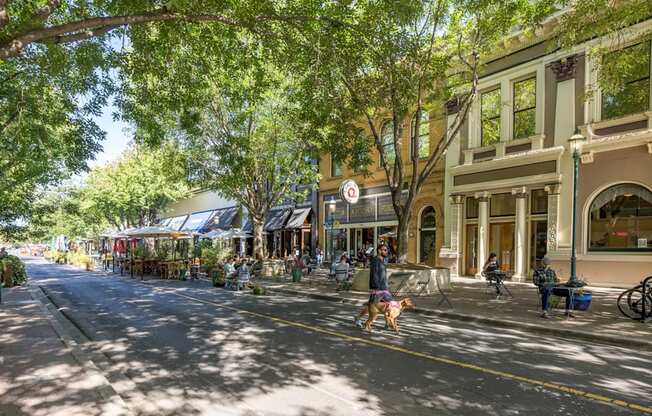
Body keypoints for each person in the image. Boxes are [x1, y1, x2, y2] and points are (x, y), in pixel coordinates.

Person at [354, 243, 392, 328]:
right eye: (385, 250)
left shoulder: (382, 261)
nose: (386, 252)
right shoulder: (375, 261)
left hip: (384, 288)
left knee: (388, 305)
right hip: (378, 289)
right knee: (371, 307)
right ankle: (358, 318)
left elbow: (382, 274)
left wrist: (386, 284)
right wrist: (376, 287)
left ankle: (387, 322)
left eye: (387, 250)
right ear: (379, 251)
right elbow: (374, 274)